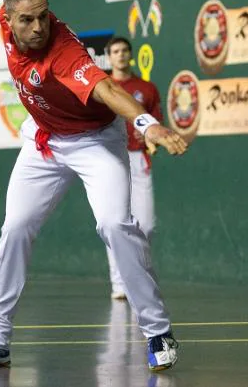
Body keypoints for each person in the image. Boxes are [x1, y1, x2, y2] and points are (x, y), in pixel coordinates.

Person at [0, 0, 187, 372]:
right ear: (8, 18)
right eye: (28, 19)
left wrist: (148, 124)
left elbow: (106, 89)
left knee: (115, 225)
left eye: (44, 15)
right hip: (43, 141)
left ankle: (157, 330)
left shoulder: (65, 52)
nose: (39, 25)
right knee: (15, 228)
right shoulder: (13, 17)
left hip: (93, 142)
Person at [105, 36, 162, 300]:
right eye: (115, 51)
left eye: (125, 50)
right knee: (115, 221)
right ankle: (119, 283)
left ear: (131, 54)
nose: (121, 55)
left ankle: (138, 276)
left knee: (146, 224)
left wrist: (152, 139)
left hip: (139, 159)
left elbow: (157, 124)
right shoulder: (102, 86)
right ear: (109, 56)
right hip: (111, 157)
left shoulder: (146, 89)